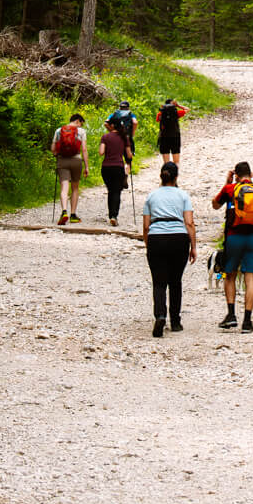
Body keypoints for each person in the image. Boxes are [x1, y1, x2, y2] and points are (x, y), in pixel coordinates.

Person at [142, 162, 195, 337]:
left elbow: (146, 225)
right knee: (175, 281)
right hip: (179, 238)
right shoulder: (183, 195)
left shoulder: (151, 196)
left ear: (161, 177)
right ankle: (176, 321)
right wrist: (193, 246)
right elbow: (189, 223)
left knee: (158, 281)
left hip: (156, 237)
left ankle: (160, 315)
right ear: (176, 177)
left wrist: (148, 244)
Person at [217, 161, 253, 334]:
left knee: (230, 275)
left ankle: (231, 315)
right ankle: (247, 321)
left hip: (234, 237)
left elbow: (215, 204)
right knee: (251, 278)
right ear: (251, 174)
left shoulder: (230, 189)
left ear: (237, 176)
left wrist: (227, 182)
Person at [51, 112, 89, 225]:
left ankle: (64, 212)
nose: (80, 126)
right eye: (80, 123)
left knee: (64, 187)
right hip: (76, 160)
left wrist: (56, 155)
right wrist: (86, 166)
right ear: (77, 121)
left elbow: (53, 148)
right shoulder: (81, 132)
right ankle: (73, 215)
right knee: (75, 188)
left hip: (62, 160)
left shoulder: (59, 130)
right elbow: (84, 150)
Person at [99, 114, 130, 228]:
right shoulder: (124, 137)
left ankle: (111, 214)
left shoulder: (105, 137)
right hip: (118, 167)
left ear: (112, 125)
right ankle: (114, 216)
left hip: (106, 167)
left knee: (110, 190)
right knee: (116, 191)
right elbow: (129, 154)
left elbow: (101, 152)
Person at [157, 96, 186, 164]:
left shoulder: (160, 113)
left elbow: (158, 120)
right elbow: (187, 109)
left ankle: (167, 173)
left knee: (166, 162)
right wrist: (178, 105)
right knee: (176, 162)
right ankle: (175, 174)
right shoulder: (176, 113)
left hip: (164, 137)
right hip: (175, 136)